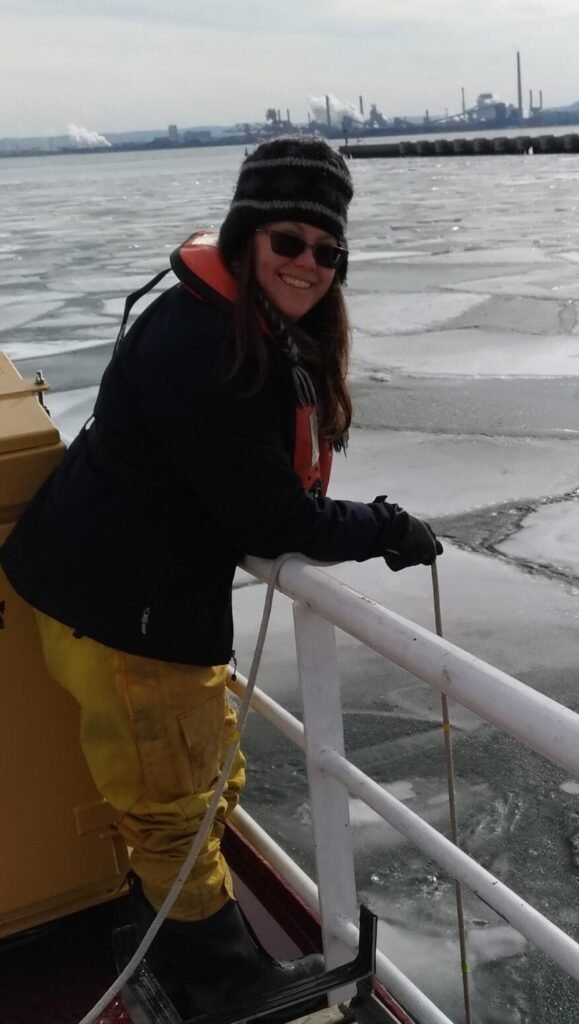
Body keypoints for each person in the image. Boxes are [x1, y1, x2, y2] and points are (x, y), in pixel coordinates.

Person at [0, 137, 442, 1017]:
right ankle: (223, 982)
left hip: (98, 590)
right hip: (130, 618)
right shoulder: (210, 351)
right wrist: (387, 528)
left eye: (327, 251)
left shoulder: (211, 320)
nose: (309, 265)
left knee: (189, 782)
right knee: (173, 804)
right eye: (288, 242)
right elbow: (272, 518)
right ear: (246, 239)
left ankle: (168, 929)